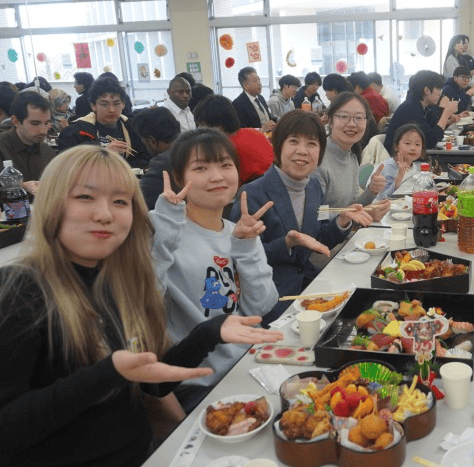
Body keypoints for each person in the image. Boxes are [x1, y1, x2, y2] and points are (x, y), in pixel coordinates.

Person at [0, 145, 283, 466]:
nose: (105, 214)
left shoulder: (114, 281)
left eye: (120, 201)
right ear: (52, 204)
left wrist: (211, 332)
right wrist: (107, 373)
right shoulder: (20, 290)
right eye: (85, 197)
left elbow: (150, 383)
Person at [151, 128, 280, 412]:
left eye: (225, 165)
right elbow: (142, 303)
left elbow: (261, 306)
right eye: (201, 168)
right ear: (178, 177)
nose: (217, 176)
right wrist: (164, 233)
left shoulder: (239, 230)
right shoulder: (162, 231)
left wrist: (246, 248)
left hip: (253, 363)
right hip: (204, 385)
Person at [232, 110, 371, 317]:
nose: (302, 151)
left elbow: (317, 239)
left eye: (312, 144)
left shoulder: (313, 187)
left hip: (310, 284)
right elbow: (240, 260)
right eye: (293, 141)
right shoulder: (252, 194)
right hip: (272, 296)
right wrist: (286, 243)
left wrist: (341, 221)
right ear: (278, 147)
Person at [312, 92, 389, 222]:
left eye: (359, 118)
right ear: (330, 121)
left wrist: (371, 190)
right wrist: (356, 215)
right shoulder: (317, 159)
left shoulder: (351, 158)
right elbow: (315, 214)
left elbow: (351, 206)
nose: (352, 124)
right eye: (344, 117)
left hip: (344, 232)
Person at [59, 76, 151, 169]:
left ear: (123, 104)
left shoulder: (132, 127)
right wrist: (105, 155)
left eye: (116, 103)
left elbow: (146, 159)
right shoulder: (76, 132)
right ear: (93, 106)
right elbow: (69, 166)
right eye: (104, 104)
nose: (111, 110)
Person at [194, 94, 274, 187]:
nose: (199, 129)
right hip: (274, 185)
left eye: (202, 125)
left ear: (219, 124)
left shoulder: (223, 149)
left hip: (248, 191)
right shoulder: (254, 133)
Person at [383, 70, 458, 152]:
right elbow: (430, 142)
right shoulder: (410, 109)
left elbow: (433, 131)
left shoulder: (422, 107)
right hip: (399, 157)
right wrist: (446, 113)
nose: (440, 94)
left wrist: (448, 120)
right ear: (427, 90)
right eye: (439, 89)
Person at [0, 91, 56, 195]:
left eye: (46, 123)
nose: (43, 131)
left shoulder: (47, 151)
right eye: (35, 123)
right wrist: (21, 186)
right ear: (15, 121)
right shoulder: (2, 148)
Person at [134, 107, 181, 210]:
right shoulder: (194, 147)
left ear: (152, 141)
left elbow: (140, 202)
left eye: (144, 143)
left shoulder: (162, 164)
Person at [369, 123, 425, 202]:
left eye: (417, 144)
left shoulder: (414, 167)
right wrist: (399, 176)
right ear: (396, 146)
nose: (413, 148)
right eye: (407, 143)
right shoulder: (388, 167)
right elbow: (381, 198)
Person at [231, 67, 277, 132]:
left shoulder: (261, 98)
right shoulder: (238, 104)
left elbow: (269, 118)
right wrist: (261, 129)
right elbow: (241, 130)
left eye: (259, 80)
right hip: (254, 137)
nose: (259, 83)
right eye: (255, 81)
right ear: (245, 85)